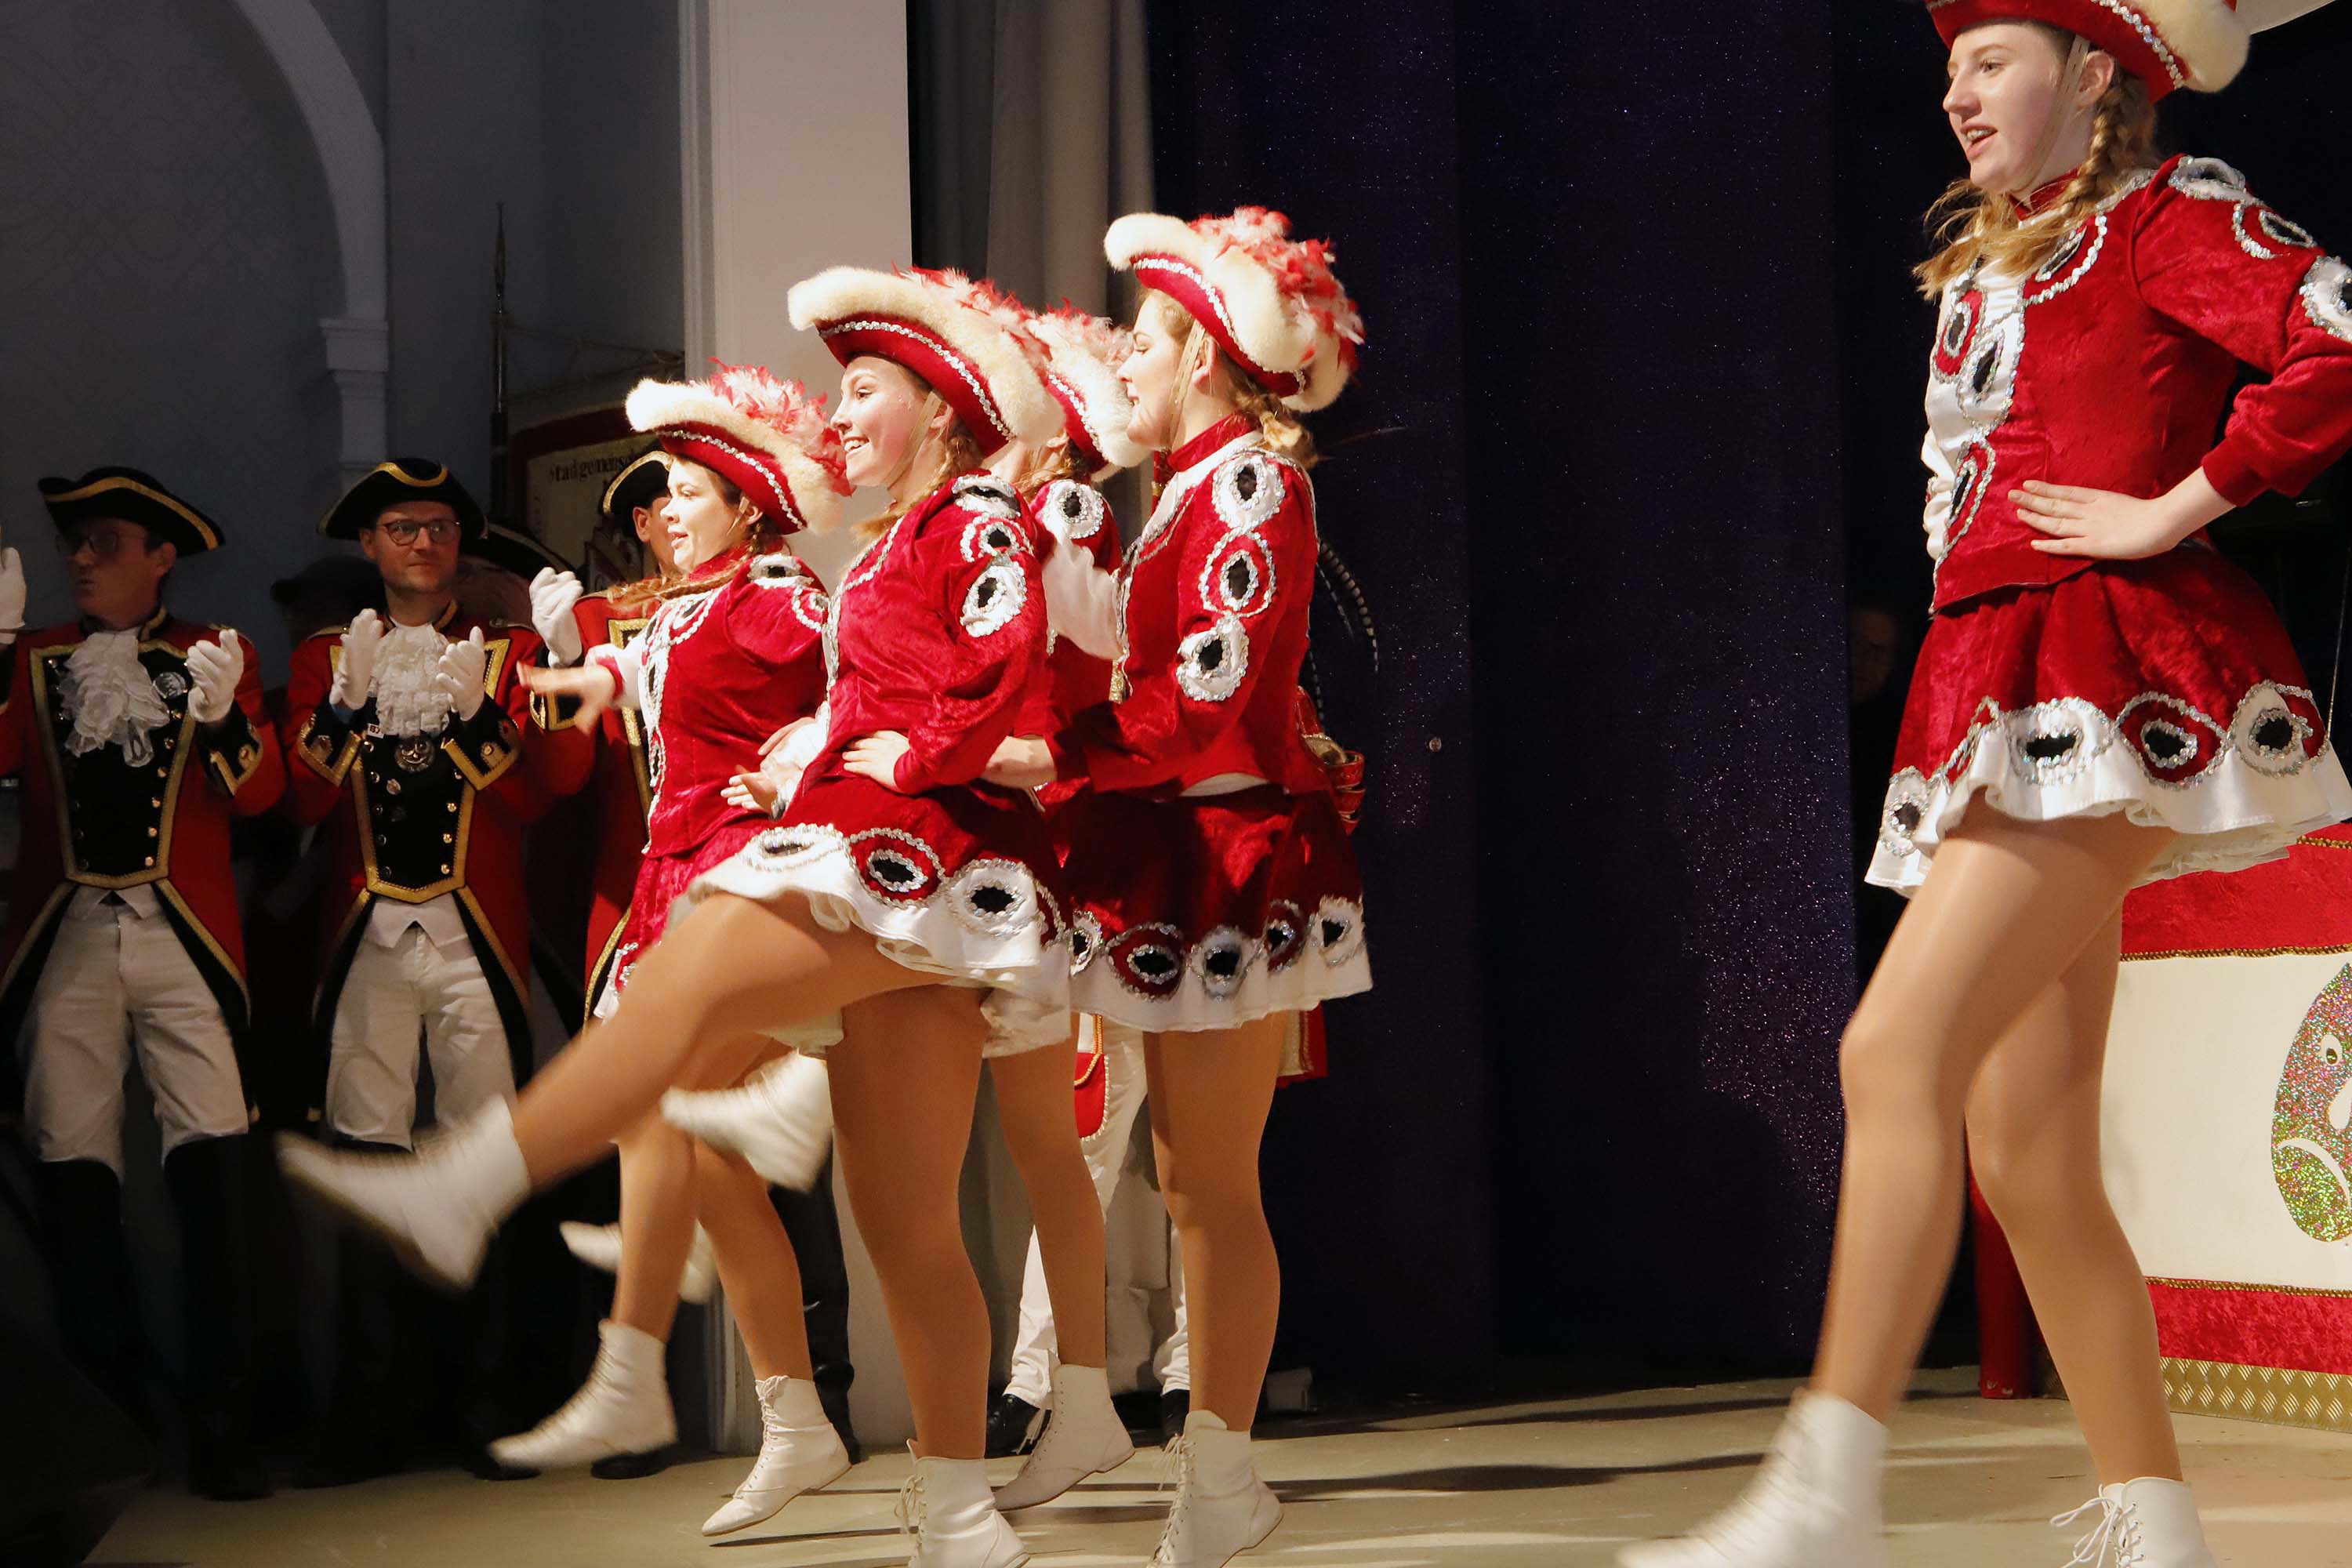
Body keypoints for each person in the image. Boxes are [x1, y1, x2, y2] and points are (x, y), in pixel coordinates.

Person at [1623, 6, 2352, 1566]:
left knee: (1896, 1051)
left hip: (2103, 672)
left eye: (1993, 59)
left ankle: (1830, 1486)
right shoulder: (2006, 255)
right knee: (2028, 1152)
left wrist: (2177, 506)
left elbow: (2335, 337)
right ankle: (2156, 1525)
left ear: (2094, 73)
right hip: (1997, 682)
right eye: (1949, 66)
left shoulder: (2164, 216)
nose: (1956, 90)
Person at [279, 263, 1067, 1568]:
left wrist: (904, 752)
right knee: (902, 1222)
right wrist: (822, 737)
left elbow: (1001, 659)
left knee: (684, 994)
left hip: (912, 859)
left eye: (864, 390)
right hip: (892, 876)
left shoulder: (964, 520)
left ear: (939, 408)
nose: (841, 415)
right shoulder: (884, 543)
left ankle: (479, 1184)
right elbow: (839, 687)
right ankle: (956, 1505)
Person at [983, 207, 1371, 1568]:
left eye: (1143, 345)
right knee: (1184, 1173)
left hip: (1225, 853)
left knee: (1207, 1180)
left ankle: (1218, 1467)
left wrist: (1053, 751)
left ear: (1203, 356)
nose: (1124, 368)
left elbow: (1206, 693)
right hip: (1174, 852)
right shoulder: (1189, 496)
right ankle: (1205, 1465)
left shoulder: (1250, 485)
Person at [492, 368, 858, 1539]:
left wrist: (804, 756)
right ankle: (780, 1407)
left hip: (740, 881)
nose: (666, 511)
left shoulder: (777, 595)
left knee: (713, 1136)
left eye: (690, 490)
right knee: (683, 1141)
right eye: (661, 497)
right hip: (671, 883)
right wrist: (562, 670)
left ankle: (746, 1375)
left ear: (747, 504)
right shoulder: (687, 606)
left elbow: (858, 682)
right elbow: (630, 689)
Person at [280, 458, 590, 1485]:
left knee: (482, 1161)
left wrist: (487, 715)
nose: (424, 544)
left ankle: (487, 1404)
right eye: (403, 528)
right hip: (363, 937)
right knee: (367, 1163)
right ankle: (371, 1416)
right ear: (370, 546)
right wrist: (343, 708)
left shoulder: (507, 654)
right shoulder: (326, 656)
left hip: (474, 936)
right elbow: (302, 803)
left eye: (441, 528)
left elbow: (546, 793)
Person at [0, 467, 285, 1501]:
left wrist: (225, 720)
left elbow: (263, 797)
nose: (81, 559)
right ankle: (107, 1431)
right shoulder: (34, 658)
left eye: (105, 542)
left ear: (161, 558)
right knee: (73, 1178)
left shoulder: (218, 653)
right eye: (74, 543)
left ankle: (227, 1428)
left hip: (185, 940)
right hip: (65, 936)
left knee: (215, 1176)